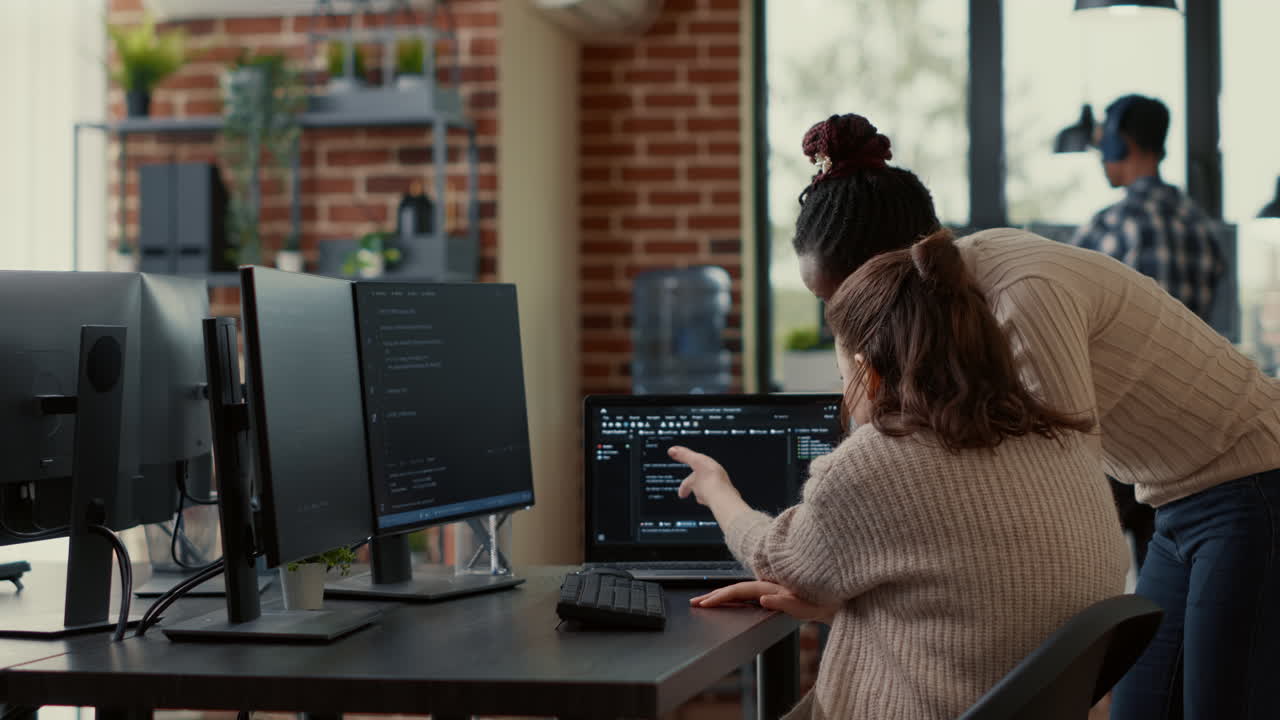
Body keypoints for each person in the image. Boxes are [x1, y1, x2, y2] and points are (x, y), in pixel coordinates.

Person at [691, 113, 1280, 720]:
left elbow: (1053, 473)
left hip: (1253, 478)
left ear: (894, 275)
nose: (849, 336)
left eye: (848, 306)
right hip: (1170, 491)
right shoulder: (961, 305)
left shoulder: (1018, 295)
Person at [673, 230, 1127, 719]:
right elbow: (981, 605)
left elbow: (775, 559)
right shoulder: (1062, 441)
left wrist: (716, 489)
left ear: (868, 372)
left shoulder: (882, 461)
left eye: (843, 375)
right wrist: (836, 610)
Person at [1071, 94, 1225, 571]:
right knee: (1168, 575)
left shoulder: (1111, 226)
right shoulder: (1200, 227)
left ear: (1125, 141)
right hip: (1191, 433)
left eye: (1104, 139)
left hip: (1119, 433)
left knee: (1086, 567)